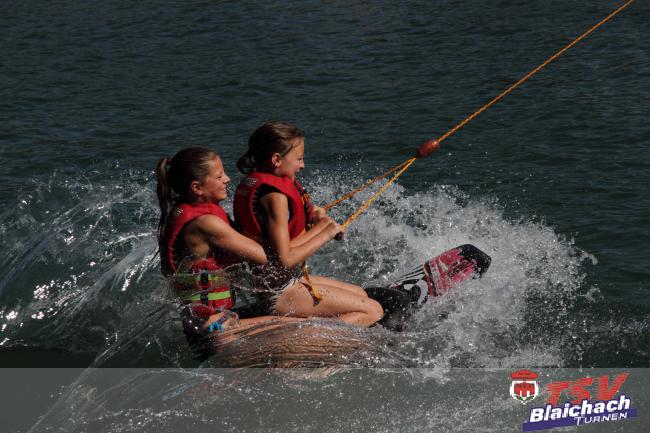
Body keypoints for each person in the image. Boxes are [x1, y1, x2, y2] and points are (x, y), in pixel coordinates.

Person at [233, 121, 384, 327]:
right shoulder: (274, 197)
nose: (302, 165)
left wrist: (313, 216)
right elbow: (285, 259)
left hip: (281, 282)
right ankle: (303, 337)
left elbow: (279, 239)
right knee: (373, 311)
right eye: (299, 158)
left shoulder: (264, 184)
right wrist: (325, 233)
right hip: (279, 292)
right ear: (276, 159)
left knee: (360, 294)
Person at [156, 147, 296, 349]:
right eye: (219, 176)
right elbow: (266, 257)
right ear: (196, 187)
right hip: (216, 328)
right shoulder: (206, 224)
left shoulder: (182, 212)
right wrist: (314, 231)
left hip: (205, 325)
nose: (227, 179)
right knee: (302, 325)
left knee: (296, 322)